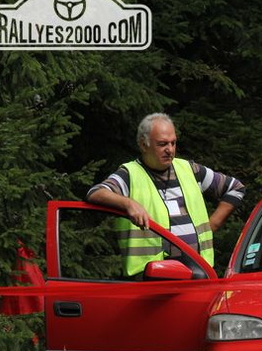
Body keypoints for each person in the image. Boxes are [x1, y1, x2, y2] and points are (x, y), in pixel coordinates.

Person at [87, 112, 245, 277]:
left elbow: (236, 187)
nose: (170, 150)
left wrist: (213, 224)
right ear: (143, 145)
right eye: (162, 144)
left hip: (198, 271)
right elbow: (96, 193)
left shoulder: (189, 169)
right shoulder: (130, 174)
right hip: (151, 278)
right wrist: (128, 204)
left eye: (173, 143)